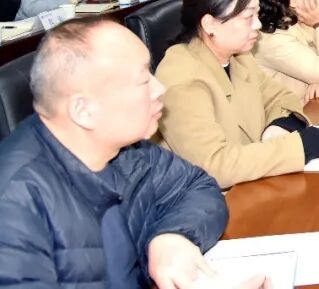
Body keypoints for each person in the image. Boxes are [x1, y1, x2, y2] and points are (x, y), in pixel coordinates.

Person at [0, 18, 267, 288]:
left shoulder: (126, 150)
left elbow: (197, 186)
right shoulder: (14, 205)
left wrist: (174, 236)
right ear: (84, 110)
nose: (159, 89)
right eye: (143, 80)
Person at [154, 0, 319, 189]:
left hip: (252, 181)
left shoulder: (239, 57)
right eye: (248, 17)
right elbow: (214, 165)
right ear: (210, 24)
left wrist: (278, 127)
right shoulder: (182, 79)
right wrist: (298, 148)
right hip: (214, 199)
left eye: (257, 15)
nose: (258, 25)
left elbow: (281, 97)